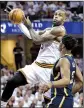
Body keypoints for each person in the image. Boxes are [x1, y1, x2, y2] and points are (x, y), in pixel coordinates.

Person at [1, 9, 66, 107]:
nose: (56, 16)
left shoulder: (60, 30)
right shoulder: (48, 30)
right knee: (11, 82)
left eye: (59, 15)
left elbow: (36, 40)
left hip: (49, 72)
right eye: (55, 14)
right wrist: (20, 22)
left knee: (48, 103)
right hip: (36, 67)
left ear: (64, 20)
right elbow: (31, 35)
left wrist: (30, 26)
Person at [40, 36, 83, 108]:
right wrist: (69, 94)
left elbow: (66, 80)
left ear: (62, 45)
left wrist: (50, 84)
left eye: (60, 42)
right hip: (67, 101)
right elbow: (80, 82)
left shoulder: (64, 60)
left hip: (60, 100)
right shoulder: (72, 61)